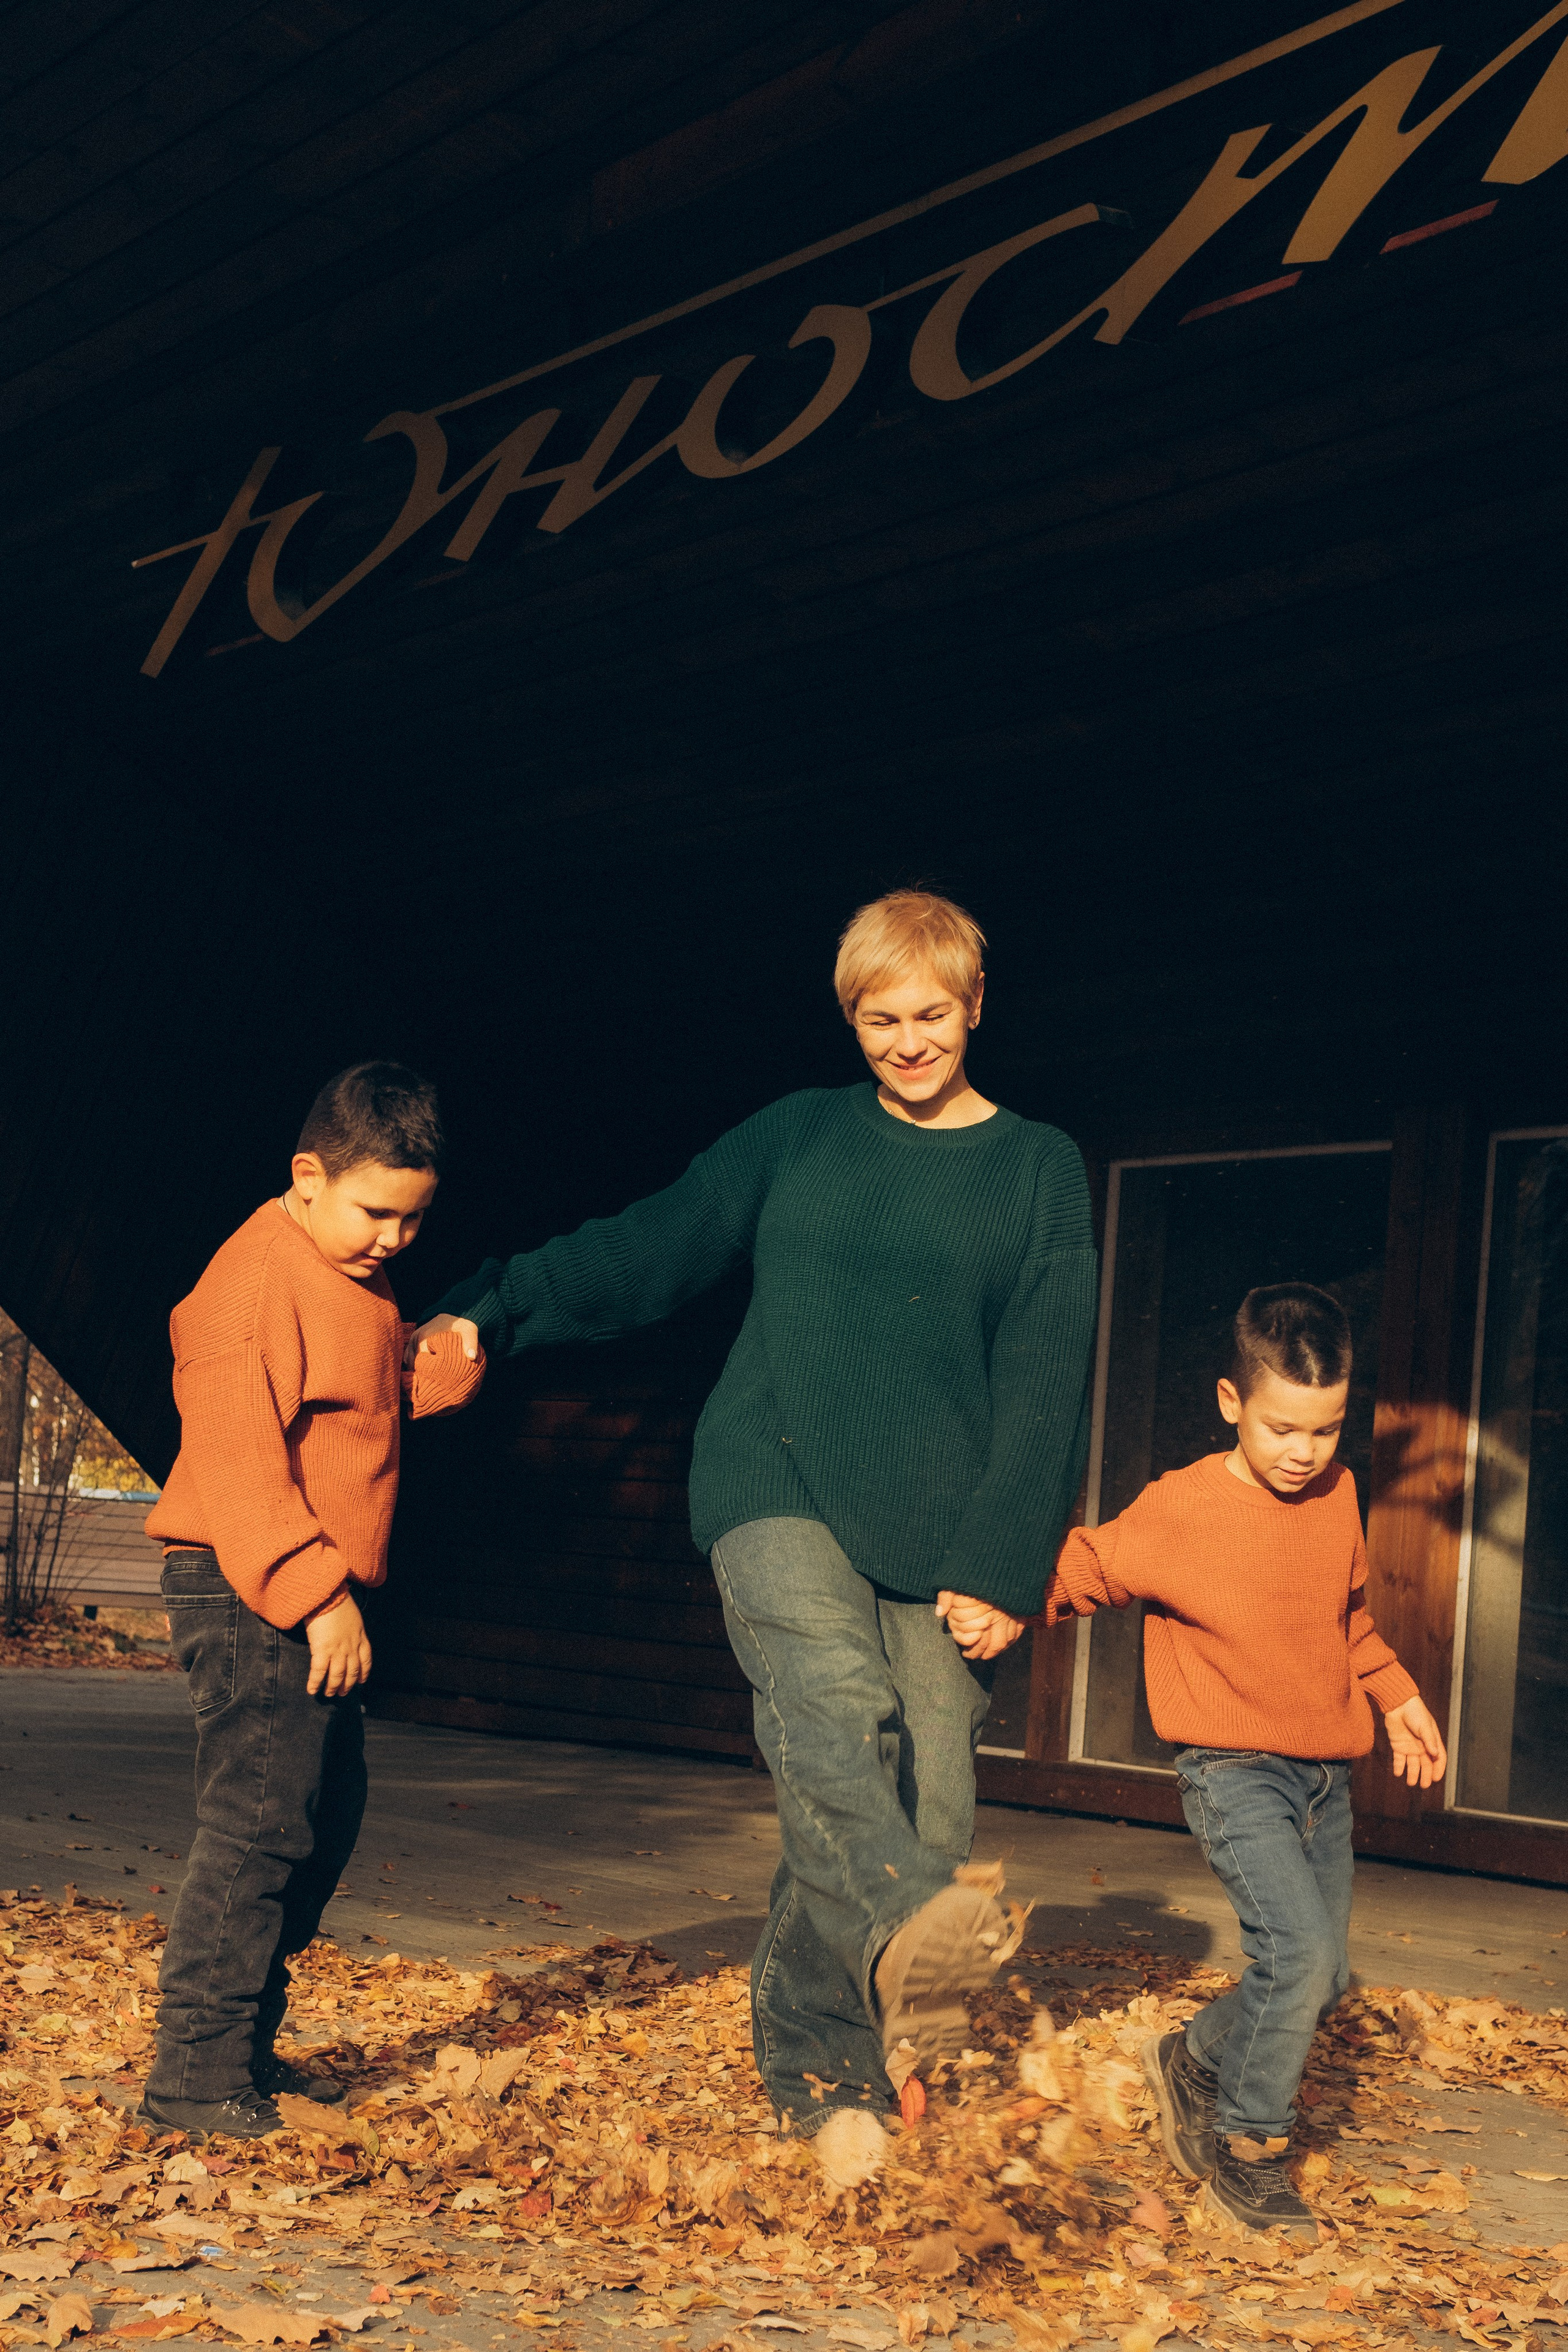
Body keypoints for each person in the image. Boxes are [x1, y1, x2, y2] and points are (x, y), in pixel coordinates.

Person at [413, 890, 1098, 2161]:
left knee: (923, 1793)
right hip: (771, 1470)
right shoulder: (796, 1138)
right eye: (878, 1020)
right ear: (849, 1019)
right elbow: (648, 1248)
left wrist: (1001, 1560)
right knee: (835, 1718)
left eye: (930, 1016)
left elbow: (1046, 1375)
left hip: (944, 1520)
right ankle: (838, 2050)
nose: (905, 1043)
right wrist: (491, 1311)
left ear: (975, 1006)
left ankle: (829, 1996)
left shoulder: (1037, 1170)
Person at [1043, 1282, 1447, 2239]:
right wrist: (983, 1596)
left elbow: (1345, 1621)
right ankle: (1249, 2154)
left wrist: (1398, 1695)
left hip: (1325, 1779)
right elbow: (1081, 1570)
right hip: (1232, 1770)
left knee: (1324, 1970)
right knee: (1297, 1956)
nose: (1304, 1454)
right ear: (1232, 1402)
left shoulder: (1339, 1495)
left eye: (1327, 1429)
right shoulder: (1180, 1506)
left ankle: (1191, 2059)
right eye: (1282, 1430)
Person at [141, 1061, 486, 2139]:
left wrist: (443, 1359)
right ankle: (193, 2082)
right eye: (376, 1210)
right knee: (256, 1828)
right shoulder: (253, 1283)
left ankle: (242, 2046)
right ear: (307, 1175)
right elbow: (241, 1462)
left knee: (318, 1824)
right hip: (250, 1584)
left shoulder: (354, 1276)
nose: (393, 1237)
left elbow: (364, 1401)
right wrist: (319, 1595)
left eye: (415, 1218)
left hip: (299, 1588)